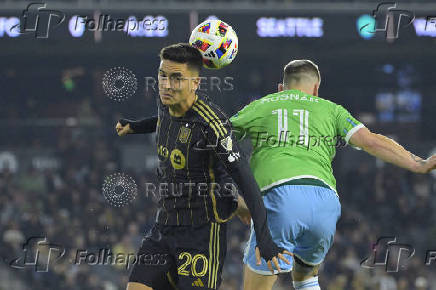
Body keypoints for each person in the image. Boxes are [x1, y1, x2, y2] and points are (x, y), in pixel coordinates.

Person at [229, 60, 436, 290]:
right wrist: (418, 164)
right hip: (325, 203)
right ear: (316, 89)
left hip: (280, 198)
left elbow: (221, 138)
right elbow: (371, 141)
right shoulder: (331, 109)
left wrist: (232, 196)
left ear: (281, 88)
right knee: (306, 279)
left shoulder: (263, 104)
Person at [115, 43, 290, 290]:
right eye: (162, 75)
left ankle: (230, 202)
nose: (166, 84)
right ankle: (231, 201)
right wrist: (135, 126)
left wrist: (264, 238)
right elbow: (165, 120)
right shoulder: (165, 102)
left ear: (195, 83)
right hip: (164, 225)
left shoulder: (213, 125)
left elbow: (246, 180)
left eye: (177, 78)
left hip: (201, 232)